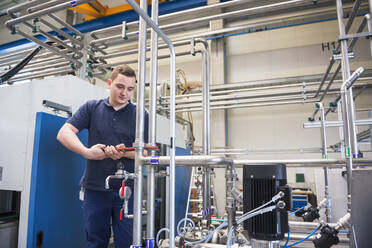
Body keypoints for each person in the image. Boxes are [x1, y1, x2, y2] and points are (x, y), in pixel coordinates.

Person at [57, 64, 148, 248]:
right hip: (95, 189)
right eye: (120, 87)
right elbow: (64, 133)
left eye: (130, 89)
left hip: (127, 191)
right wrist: (87, 152)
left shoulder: (140, 115)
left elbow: (145, 152)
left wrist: (126, 152)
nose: (125, 93)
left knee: (128, 243)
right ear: (109, 83)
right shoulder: (92, 108)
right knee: (96, 242)